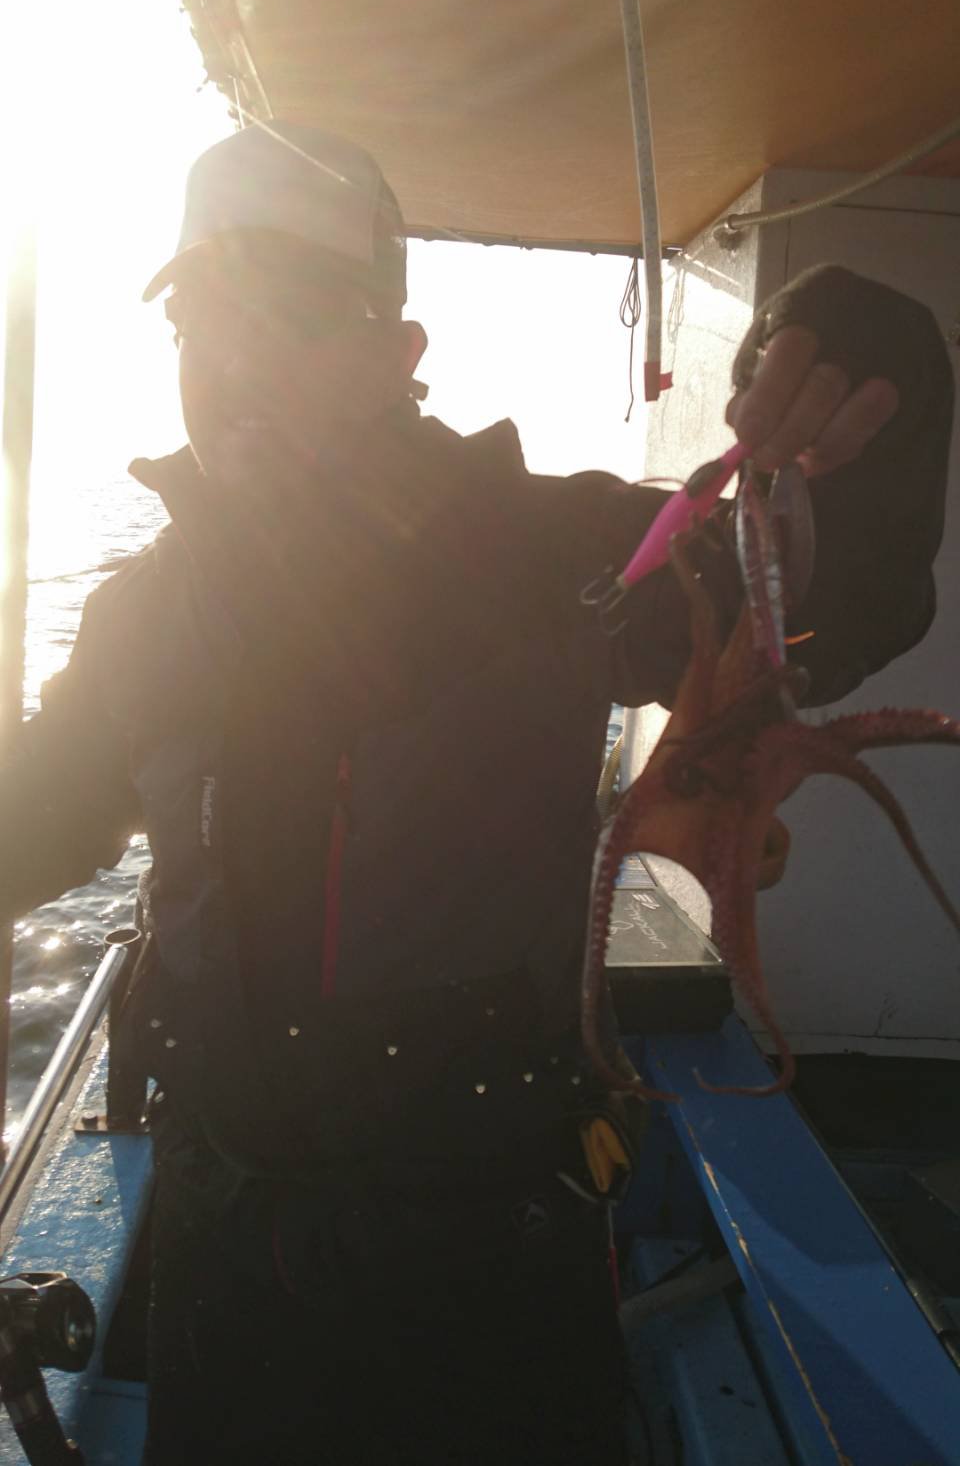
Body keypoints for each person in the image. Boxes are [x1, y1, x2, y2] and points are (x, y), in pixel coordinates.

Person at [0, 122, 952, 1465]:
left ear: (397, 351)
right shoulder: (143, 618)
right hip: (228, 1259)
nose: (240, 356)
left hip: (488, 1253)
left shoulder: (566, 555)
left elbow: (845, 595)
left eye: (298, 310)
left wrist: (865, 363)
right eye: (203, 315)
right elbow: (37, 818)